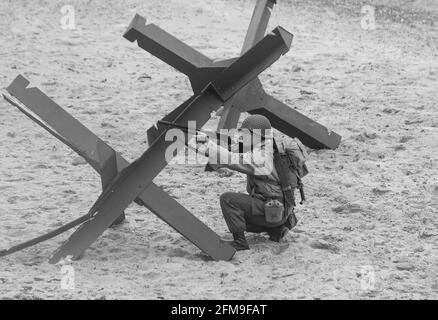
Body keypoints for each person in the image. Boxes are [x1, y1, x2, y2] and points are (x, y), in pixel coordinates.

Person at [196, 115, 297, 251]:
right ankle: (277, 230)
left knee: (228, 200)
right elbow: (238, 150)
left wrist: (207, 145)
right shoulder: (272, 146)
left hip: (271, 209)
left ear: (255, 135)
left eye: (244, 133)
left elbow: (234, 159)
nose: (241, 136)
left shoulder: (261, 157)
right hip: (282, 211)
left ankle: (240, 243)